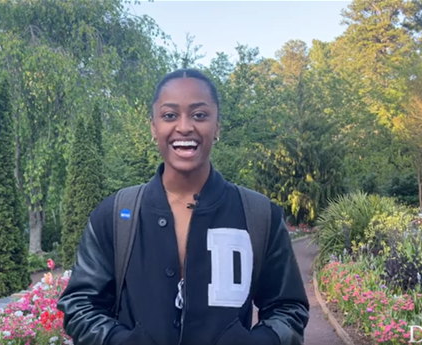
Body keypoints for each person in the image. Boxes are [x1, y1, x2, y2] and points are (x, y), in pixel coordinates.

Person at [56, 68, 309, 345]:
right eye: (169, 115)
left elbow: (289, 309)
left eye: (200, 115)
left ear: (217, 127)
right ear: (154, 127)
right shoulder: (114, 215)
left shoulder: (259, 216)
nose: (185, 127)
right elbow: (80, 305)